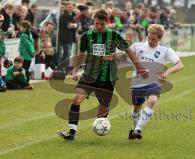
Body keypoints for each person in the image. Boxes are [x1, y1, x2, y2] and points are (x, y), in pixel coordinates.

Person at [58, 9, 148, 140]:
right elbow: (81, 53)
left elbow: (127, 49)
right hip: (89, 75)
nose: (99, 26)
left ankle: (100, 124)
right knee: (76, 99)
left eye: (101, 24)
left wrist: (139, 67)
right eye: (96, 23)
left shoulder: (114, 35)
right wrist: (76, 70)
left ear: (106, 22)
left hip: (108, 78)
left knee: (102, 114)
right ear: (93, 22)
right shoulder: (86, 36)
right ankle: (72, 132)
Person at [128, 24, 184, 140]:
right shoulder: (137, 46)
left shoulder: (165, 50)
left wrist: (166, 73)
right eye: (149, 38)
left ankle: (138, 129)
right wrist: (112, 57)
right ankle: (134, 130)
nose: (150, 41)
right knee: (136, 108)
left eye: (153, 39)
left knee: (152, 100)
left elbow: (179, 65)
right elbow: (124, 56)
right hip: (137, 82)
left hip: (154, 82)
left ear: (159, 38)